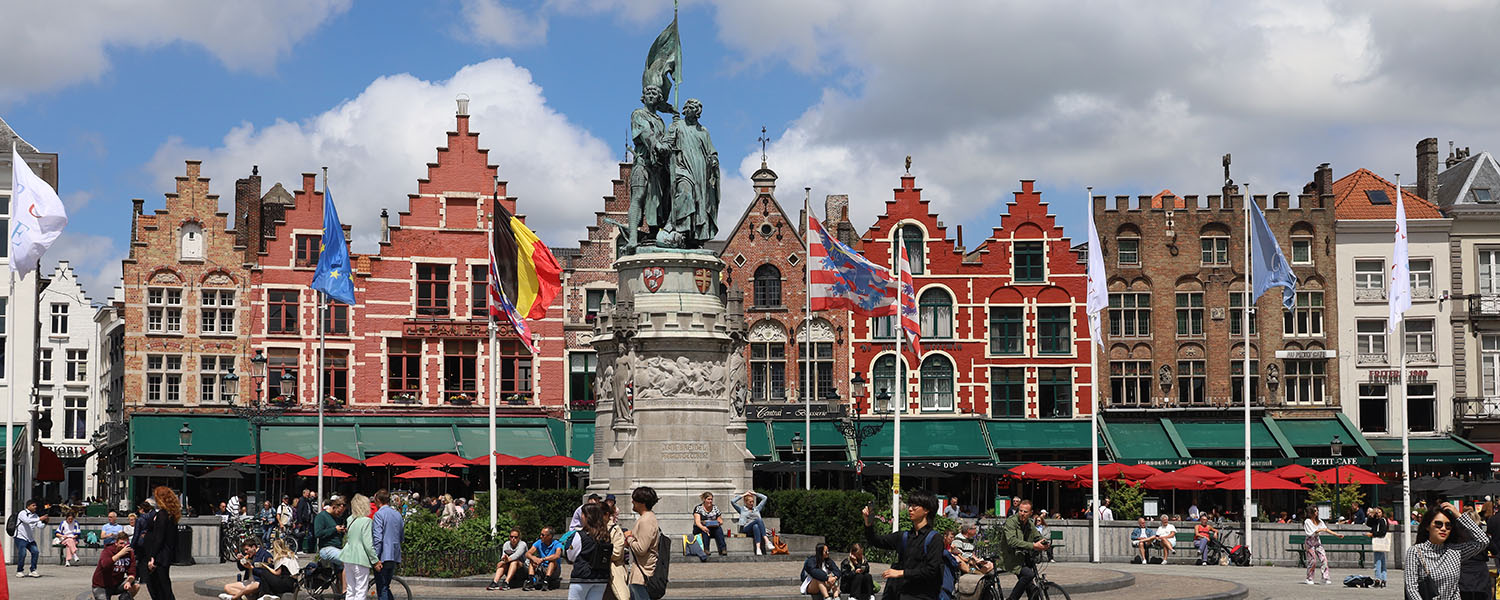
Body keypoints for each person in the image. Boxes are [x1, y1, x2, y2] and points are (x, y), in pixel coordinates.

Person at [863, 489, 946, 600]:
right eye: (910, 505)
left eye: (915, 506)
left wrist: (902, 573)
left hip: (923, 596)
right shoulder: (904, 536)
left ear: (926, 510)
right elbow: (875, 541)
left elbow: (932, 571)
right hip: (900, 594)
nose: (910, 509)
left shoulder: (935, 539)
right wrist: (868, 524)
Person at [1407, 501, 1491, 600]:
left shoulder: (1454, 551)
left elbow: (1483, 541)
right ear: (1427, 526)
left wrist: (1459, 515)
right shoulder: (1415, 552)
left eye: (1448, 525)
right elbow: (1411, 588)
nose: (1443, 529)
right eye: (1438, 524)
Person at [998, 498, 1046, 600]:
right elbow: (1012, 541)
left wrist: (1044, 542)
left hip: (1023, 557)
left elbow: (1037, 536)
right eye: (1020, 511)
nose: (1022, 513)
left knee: (1031, 589)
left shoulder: (1029, 523)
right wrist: (1033, 546)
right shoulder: (1011, 522)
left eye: (1025, 512)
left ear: (1031, 513)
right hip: (1010, 556)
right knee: (1028, 575)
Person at [567, 503, 615, 600]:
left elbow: (571, 556)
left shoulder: (580, 535)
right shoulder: (605, 535)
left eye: (583, 514)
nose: (581, 517)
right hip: (600, 577)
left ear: (587, 517)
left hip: (582, 576)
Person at [142, 487, 180, 599]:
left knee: (158, 585)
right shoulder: (171, 514)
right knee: (162, 584)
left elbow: (159, 537)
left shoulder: (163, 515)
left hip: (159, 555)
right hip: (164, 554)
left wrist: (152, 556)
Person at [624, 486, 661, 600]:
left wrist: (629, 537)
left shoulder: (646, 520)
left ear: (642, 503)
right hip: (641, 570)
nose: (632, 502)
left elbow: (641, 549)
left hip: (642, 573)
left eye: (635, 499)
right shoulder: (646, 518)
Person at [339, 494, 377, 600]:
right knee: (361, 590)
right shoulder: (367, 521)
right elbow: (368, 544)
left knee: (351, 589)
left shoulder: (350, 519)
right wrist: (375, 560)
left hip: (348, 556)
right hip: (360, 558)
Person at [372, 490, 405, 600]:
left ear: (378, 500)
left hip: (383, 555)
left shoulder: (379, 514)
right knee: (386, 586)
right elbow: (401, 536)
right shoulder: (397, 514)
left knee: (382, 588)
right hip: (394, 554)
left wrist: (375, 557)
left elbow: (378, 538)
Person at [90, 532, 140, 600]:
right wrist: (119, 554)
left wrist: (129, 582)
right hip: (101, 585)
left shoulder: (130, 553)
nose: (123, 546)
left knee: (136, 585)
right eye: (121, 543)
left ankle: (125, 598)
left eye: (125, 543)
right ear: (116, 543)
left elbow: (132, 572)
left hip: (116, 584)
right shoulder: (107, 551)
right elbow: (105, 565)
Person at [1459, 505, 1493, 600]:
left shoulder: (1459, 537)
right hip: (1480, 574)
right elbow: (1494, 549)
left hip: (1463, 573)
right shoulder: (1483, 537)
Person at [1303, 506, 1342, 585]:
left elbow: (1326, 529)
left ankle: (1325, 577)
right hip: (1310, 543)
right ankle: (1309, 578)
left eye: (1317, 510)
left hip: (1317, 542)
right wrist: (1320, 530)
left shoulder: (1319, 521)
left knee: (1324, 559)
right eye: (1315, 511)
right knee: (1313, 561)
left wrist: (1336, 534)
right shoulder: (1307, 521)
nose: (1317, 512)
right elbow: (1311, 533)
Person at [14, 497, 47, 577]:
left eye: (35, 505)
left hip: (30, 538)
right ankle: (20, 571)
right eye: (33, 505)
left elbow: (40, 526)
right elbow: (27, 521)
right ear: (28, 506)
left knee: (35, 552)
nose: (35, 507)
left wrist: (45, 522)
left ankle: (33, 570)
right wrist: (39, 519)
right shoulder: (22, 513)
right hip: (20, 537)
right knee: (23, 553)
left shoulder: (35, 516)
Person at [526, 527, 565, 591]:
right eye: (540, 534)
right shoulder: (539, 542)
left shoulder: (557, 544)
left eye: (543, 535)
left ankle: (546, 581)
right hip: (542, 568)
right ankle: (531, 580)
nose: (541, 536)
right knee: (532, 560)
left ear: (550, 536)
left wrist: (543, 559)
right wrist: (534, 558)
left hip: (554, 570)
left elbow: (557, 555)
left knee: (552, 562)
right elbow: (528, 553)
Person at [732, 490, 771, 555]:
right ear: (745, 502)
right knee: (758, 520)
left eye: (753, 501)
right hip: (746, 529)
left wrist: (754, 493)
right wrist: (744, 495)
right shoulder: (742, 510)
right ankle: (766, 540)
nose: (752, 503)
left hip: (755, 530)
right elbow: (732, 502)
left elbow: (765, 498)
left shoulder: (757, 509)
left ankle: (758, 548)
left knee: (755, 526)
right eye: (750, 502)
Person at [314, 497, 348, 566]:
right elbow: (318, 533)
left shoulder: (337, 518)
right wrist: (334, 529)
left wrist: (342, 531)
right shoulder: (321, 516)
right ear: (333, 507)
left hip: (338, 548)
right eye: (339, 512)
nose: (340, 514)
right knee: (347, 560)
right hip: (327, 548)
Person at [692, 492, 727, 557]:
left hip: (712, 527)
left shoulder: (715, 508)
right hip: (700, 528)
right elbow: (697, 522)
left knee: (719, 529)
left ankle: (723, 549)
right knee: (705, 530)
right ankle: (706, 549)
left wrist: (719, 522)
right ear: (704, 500)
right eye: (708, 499)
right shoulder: (698, 508)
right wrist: (703, 527)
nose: (710, 501)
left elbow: (720, 519)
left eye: (711, 499)